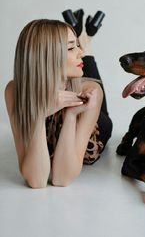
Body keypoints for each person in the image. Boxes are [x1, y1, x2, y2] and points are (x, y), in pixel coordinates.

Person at [5, 18, 112, 188]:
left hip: (97, 126)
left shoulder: (90, 91)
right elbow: (37, 181)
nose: (80, 52)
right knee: (83, 72)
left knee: (92, 82)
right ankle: (84, 38)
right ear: (45, 56)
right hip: (62, 86)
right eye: (71, 47)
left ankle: (86, 41)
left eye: (77, 46)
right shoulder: (15, 91)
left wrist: (71, 114)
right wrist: (40, 115)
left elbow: (61, 179)